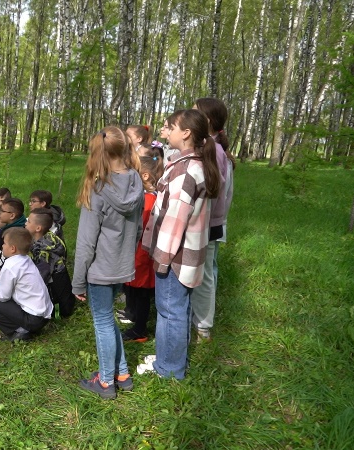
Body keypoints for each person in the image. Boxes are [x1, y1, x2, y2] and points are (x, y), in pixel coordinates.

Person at [138, 109, 221, 379]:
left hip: (175, 256)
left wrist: (162, 258)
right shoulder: (189, 164)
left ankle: (170, 368)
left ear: (185, 133)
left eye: (170, 127)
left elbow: (175, 222)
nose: (166, 131)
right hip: (185, 254)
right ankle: (169, 356)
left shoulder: (186, 170)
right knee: (177, 309)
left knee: (170, 311)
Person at [73, 127, 144, 399]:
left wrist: (77, 281)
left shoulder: (99, 188)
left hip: (101, 269)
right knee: (107, 318)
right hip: (122, 266)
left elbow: (86, 243)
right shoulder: (136, 181)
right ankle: (122, 374)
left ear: (97, 153)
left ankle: (105, 382)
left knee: (102, 321)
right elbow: (137, 230)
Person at [190, 97, 236, 341]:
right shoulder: (211, 147)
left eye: (195, 112)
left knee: (205, 274)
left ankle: (203, 326)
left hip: (207, 224)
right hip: (207, 223)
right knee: (204, 271)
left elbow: (213, 192)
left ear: (207, 120)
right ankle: (197, 318)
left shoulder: (214, 150)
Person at [0, 228, 53, 342]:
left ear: (12, 248)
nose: (2, 246)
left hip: (33, 319)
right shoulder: (26, 259)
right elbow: (13, 284)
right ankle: (25, 328)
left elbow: (2, 296)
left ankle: (18, 332)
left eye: (4, 243)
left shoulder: (10, 266)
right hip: (43, 316)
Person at [117, 155, 164, 342]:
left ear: (144, 176)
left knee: (142, 291)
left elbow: (141, 228)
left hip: (142, 253)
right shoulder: (146, 197)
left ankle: (140, 329)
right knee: (135, 288)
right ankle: (134, 315)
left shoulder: (148, 200)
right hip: (138, 251)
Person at [26, 207, 76, 318]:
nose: (26, 223)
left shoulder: (44, 250)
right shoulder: (47, 237)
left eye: (28, 221)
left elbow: (42, 277)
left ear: (38, 228)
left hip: (55, 290)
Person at [0, 197, 26, 274]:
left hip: (12, 269)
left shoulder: (14, 233)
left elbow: (5, 260)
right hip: (4, 260)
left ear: (12, 216)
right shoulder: (9, 226)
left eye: (2, 211)